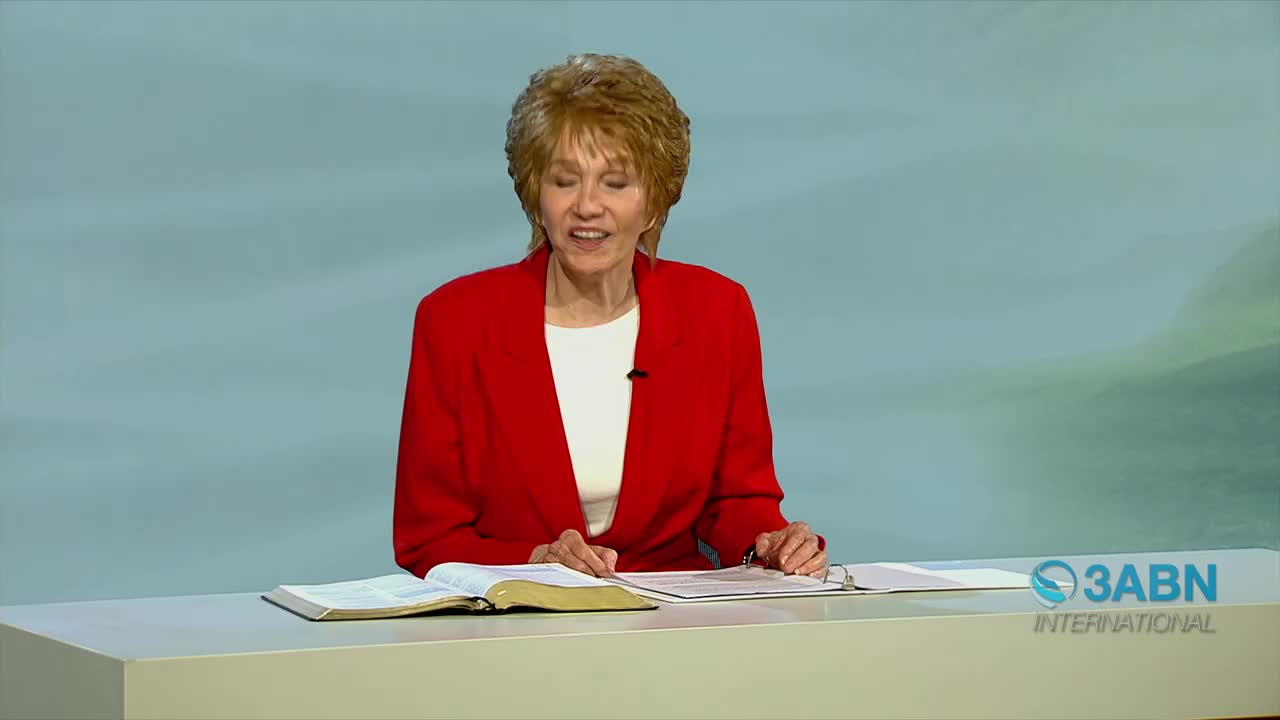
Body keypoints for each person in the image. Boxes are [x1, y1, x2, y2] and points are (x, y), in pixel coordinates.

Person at [393, 53, 826, 579]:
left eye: (615, 183)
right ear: (536, 194)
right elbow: (427, 537)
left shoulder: (716, 311)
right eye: (564, 180)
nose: (587, 206)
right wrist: (536, 563)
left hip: (670, 628)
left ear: (653, 203)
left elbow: (734, 500)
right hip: (514, 629)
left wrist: (770, 543)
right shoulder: (455, 322)